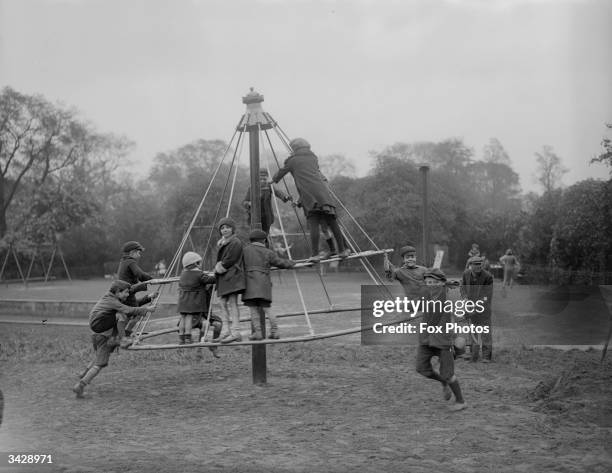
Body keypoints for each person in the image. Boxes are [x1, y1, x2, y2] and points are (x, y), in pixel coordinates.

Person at [271, 137, 350, 262]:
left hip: (309, 198)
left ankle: (315, 254)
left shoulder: (292, 161)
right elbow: (312, 179)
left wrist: (272, 180)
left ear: (294, 148)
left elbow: (281, 173)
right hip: (323, 195)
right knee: (332, 222)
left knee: (313, 224)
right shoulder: (313, 158)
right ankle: (343, 250)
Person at [73, 280, 155, 398]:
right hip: (103, 335)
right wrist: (146, 309)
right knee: (100, 364)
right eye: (126, 292)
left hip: (101, 334)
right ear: (117, 292)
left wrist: (148, 298)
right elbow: (128, 309)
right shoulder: (112, 301)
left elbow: (131, 306)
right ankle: (80, 385)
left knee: (99, 356)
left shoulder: (112, 299)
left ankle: (84, 373)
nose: (127, 295)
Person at [416, 268, 467, 411]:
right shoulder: (425, 294)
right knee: (421, 369)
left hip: (444, 340)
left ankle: (461, 401)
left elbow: (461, 318)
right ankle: (442, 382)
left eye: (434, 282)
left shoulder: (451, 296)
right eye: (428, 282)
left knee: (448, 374)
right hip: (426, 339)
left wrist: (462, 336)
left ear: (441, 283)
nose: (430, 284)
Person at [242, 229, 297, 340]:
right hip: (264, 284)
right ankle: (274, 331)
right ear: (263, 240)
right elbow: (280, 263)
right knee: (267, 308)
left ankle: (258, 333)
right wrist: (292, 263)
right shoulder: (268, 252)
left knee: (253, 309)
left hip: (249, 284)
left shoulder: (244, 251)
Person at [177, 251, 222, 358]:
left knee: (218, 324)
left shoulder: (201, 278)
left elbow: (213, 281)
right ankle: (199, 348)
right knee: (205, 325)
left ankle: (214, 346)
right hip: (195, 312)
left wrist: (217, 275)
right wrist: (216, 274)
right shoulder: (197, 278)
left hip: (205, 312)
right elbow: (208, 278)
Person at [214, 217, 246, 343]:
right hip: (224, 278)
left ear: (232, 229)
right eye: (222, 228)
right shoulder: (223, 243)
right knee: (222, 304)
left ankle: (236, 331)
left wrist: (218, 267)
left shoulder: (235, 242)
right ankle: (226, 331)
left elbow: (230, 259)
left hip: (232, 276)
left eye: (227, 227)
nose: (225, 230)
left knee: (233, 303)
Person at [461, 256, 494, 362]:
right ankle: (471, 352)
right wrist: (465, 298)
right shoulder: (466, 274)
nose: (479, 266)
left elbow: (487, 296)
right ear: (470, 266)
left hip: (483, 308)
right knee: (471, 330)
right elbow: (463, 287)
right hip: (469, 305)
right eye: (476, 264)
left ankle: (486, 355)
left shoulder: (488, 277)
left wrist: (476, 308)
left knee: (485, 332)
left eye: (480, 263)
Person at [116, 241, 154, 336]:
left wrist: (149, 296)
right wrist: (151, 279)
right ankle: (126, 333)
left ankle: (122, 333)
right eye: (138, 253)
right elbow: (140, 274)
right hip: (127, 291)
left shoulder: (124, 262)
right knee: (138, 313)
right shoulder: (130, 262)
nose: (139, 255)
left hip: (125, 292)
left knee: (128, 314)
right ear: (132, 252)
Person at [243, 168, 292, 236]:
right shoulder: (251, 188)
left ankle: (265, 245)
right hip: (254, 216)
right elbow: (245, 202)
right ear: (257, 178)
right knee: (255, 234)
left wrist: (285, 197)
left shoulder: (269, 186)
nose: (262, 180)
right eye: (261, 178)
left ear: (267, 177)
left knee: (265, 235)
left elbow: (278, 192)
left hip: (266, 216)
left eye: (264, 178)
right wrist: (249, 203)